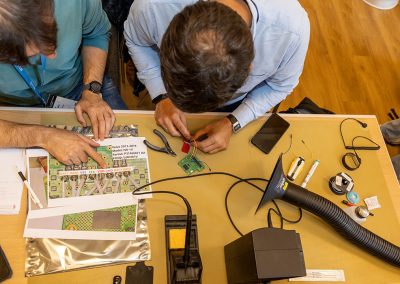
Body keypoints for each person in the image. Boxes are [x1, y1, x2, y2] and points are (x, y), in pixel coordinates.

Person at [124, 0, 310, 153]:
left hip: (236, 106)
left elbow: (279, 86)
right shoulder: (152, 6)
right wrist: (161, 95)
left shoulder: (292, 30)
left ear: (249, 68)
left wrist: (233, 122)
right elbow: (136, 40)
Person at [0, 0, 128, 166]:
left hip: (81, 84)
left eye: (52, 38)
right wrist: (44, 136)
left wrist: (91, 90)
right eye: (30, 55)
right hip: (12, 106)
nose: (53, 56)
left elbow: (96, 33)